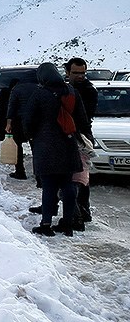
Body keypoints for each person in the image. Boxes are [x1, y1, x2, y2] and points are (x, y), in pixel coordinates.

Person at [23, 63, 89, 237]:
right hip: (69, 143)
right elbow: (82, 119)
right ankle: (67, 224)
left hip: (46, 146)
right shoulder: (72, 92)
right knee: (68, 184)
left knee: (49, 186)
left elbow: (28, 120)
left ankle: (46, 224)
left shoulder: (39, 93)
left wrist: (31, 136)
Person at [65, 57, 97, 224]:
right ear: (67, 72)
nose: (80, 76)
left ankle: (83, 211)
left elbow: (83, 117)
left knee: (81, 178)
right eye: (76, 73)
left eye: (83, 73)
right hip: (70, 135)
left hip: (81, 137)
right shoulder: (66, 89)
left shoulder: (88, 90)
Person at [3, 79, 38, 180]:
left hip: (19, 121)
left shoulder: (16, 89)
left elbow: (12, 107)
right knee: (36, 148)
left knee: (17, 146)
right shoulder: (38, 88)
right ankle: (39, 176)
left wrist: (8, 123)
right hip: (35, 121)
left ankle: (20, 172)